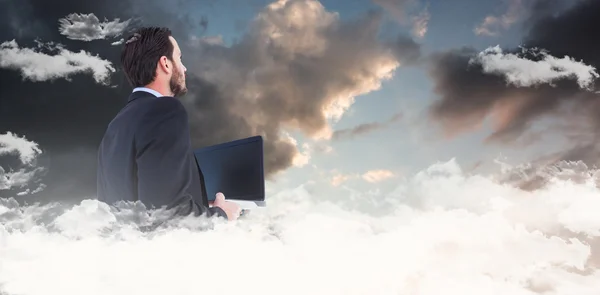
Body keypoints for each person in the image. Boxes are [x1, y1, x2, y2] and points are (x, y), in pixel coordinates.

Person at [96, 26, 241, 221]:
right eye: (179, 58)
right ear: (165, 63)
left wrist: (200, 205)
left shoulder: (115, 126)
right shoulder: (165, 110)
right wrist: (222, 215)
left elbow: (148, 203)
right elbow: (168, 215)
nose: (184, 68)